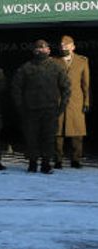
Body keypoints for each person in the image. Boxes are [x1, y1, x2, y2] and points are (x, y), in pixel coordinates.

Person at [12, 39, 69, 173]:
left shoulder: (56, 67)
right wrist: (20, 106)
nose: (41, 50)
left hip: (50, 110)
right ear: (34, 51)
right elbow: (16, 87)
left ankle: (46, 164)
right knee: (31, 138)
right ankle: (32, 163)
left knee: (48, 139)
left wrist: (62, 107)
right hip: (30, 110)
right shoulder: (26, 67)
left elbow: (66, 88)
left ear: (48, 50)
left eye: (43, 48)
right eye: (38, 48)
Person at [53, 35, 89, 168]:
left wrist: (86, 102)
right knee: (58, 132)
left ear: (73, 47)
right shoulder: (54, 61)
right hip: (58, 100)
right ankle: (58, 160)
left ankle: (76, 160)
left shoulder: (82, 61)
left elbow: (85, 84)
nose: (63, 48)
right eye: (62, 46)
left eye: (66, 46)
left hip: (76, 101)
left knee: (77, 132)